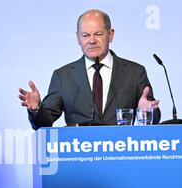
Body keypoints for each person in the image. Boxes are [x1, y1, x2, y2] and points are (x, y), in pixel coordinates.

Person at [18, 9, 161, 129]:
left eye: (98, 34)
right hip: (79, 156)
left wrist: (148, 112)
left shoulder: (135, 72)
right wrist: (36, 109)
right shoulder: (63, 76)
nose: (92, 41)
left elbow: (153, 118)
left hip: (122, 152)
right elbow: (44, 122)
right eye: (85, 35)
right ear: (78, 38)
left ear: (110, 35)